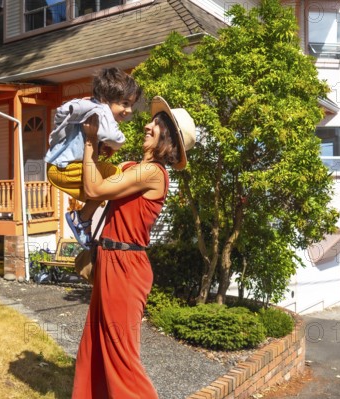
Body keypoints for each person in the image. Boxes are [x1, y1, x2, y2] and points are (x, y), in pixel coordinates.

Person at [71, 96, 196, 398]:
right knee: (94, 345)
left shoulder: (154, 174)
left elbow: (94, 188)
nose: (147, 125)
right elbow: (95, 187)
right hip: (109, 259)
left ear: (166, 136)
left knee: (121, 355)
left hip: (127, 267)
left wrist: (89, 143)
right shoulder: (132, 167)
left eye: (155, 124)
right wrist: (97, 146)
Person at [44, 67, 142, 249]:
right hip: (66, 169)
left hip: (60, 168)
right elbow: (113, 137)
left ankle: (82, 219)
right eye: (124, 103)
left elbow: (65, 115)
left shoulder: (89, 107)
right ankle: (82, 218)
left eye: (131, 105)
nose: (128, 110)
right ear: (106, 99)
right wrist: (117, 144)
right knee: (114, 177)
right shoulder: (101, 110)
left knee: (106, 183)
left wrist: (100, 145)